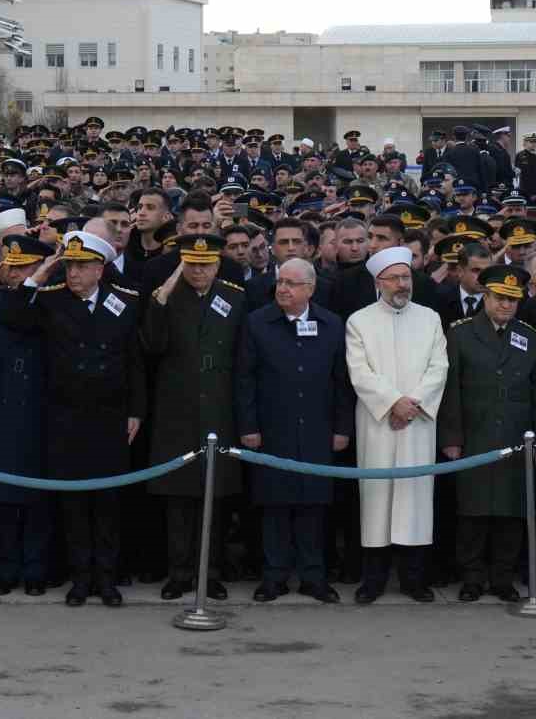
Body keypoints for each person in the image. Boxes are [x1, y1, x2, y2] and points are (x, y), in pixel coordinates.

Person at [7, 231, 145, 608]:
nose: (74, 274)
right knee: (74, 504)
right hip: (67, 415)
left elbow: (134, 360)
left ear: (100, 269)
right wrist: (40, 274)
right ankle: (80, 578)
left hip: (110, 415)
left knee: (108, 503)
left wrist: (136, 410)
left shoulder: (126, 301)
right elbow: (14, 317)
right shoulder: (51, 301)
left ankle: (107, 577)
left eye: (83, 266)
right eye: (70, 266)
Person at [236, 258, 353, 603]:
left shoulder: (331, 324)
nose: (283, 289)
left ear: (310, 289)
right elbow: (244, 379)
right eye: (280, 282)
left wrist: (342, 427)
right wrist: (248, 426)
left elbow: (342, 382)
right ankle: (274, 577)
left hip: (318, 428)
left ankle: (313, 577)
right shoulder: (258, 323)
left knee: (314, 506)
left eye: (291, 283)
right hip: (272, 427)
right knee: (274, 505)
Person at [139, 233, 245, 601]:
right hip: (177, 411)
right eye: (192, 263)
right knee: (178, 500)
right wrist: (164, 293)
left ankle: (209, 573)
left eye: (206, 264)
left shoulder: (235, 297)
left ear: (217, 264)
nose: (199, 270)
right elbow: (151, 346)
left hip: (218, 410)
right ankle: (179, 571)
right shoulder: (166, 298)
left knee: (213, 500)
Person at [345, 245, 448, 603]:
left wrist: (412, 403)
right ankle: (372, 581)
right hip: (379, 423)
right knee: (376, 500)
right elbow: (360, 372)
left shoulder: (430, 318)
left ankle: (413, 580)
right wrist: (393, 403)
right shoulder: (359, 321)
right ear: (379, 282)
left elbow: (439, 368)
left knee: (415, 500)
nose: (403, 285)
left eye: (407, 277)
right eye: (395, 279)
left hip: (417, 422)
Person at [438, 263, 536, 603]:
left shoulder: (528, 335)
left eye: (513, 299)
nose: (506, 305)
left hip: (515, 434)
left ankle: (502, 578)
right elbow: (451, 389)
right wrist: (452, 437)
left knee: (510, 512)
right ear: (485, 296)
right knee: (473, 511)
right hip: (476, 432)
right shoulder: (461, 333)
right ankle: (472, 577)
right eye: (499, 298)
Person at [0, 236, 55, 597]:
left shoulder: (52, 299)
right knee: (2, 496)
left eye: (24, 267)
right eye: (11, 267)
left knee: (37, 498)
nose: (16, 274)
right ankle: (6, 567)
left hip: (39, 408)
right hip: (0, 407)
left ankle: (35, 568)